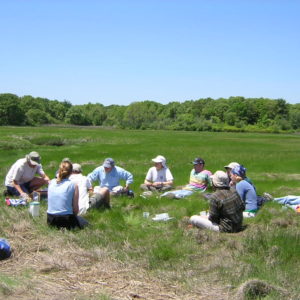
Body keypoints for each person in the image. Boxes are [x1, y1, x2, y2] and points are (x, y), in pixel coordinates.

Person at [47, 161, 81, 230]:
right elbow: (75, 210)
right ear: (71, 172)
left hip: (50, 220)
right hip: (66, 219)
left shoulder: (51, 182)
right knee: (85, 223)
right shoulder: (73, 185)